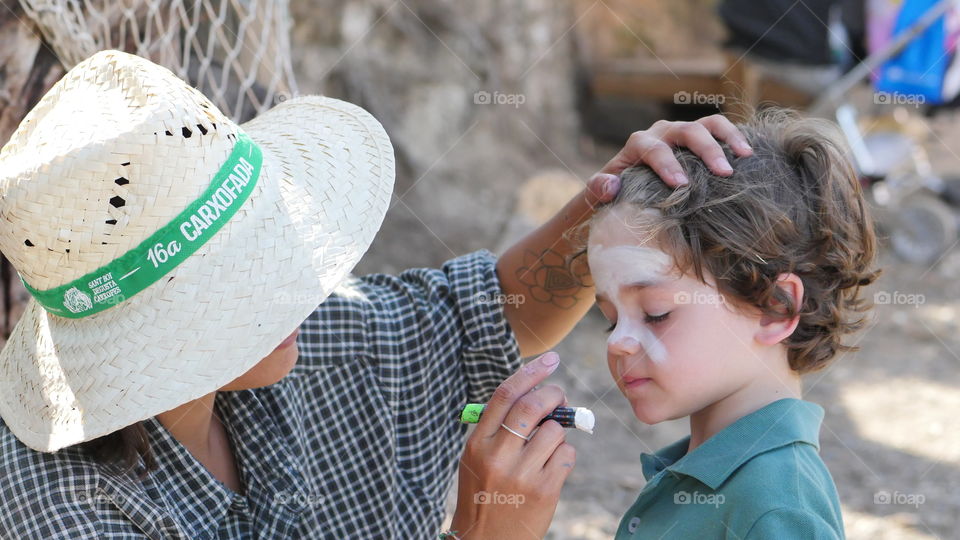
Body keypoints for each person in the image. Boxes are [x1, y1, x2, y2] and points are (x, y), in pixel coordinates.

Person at [0, 50, 751, 538]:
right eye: (243, 281)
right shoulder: (64, 513)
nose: (295, 286)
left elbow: (484, 318)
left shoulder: (297, 345)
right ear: (152, 330)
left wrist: (608, 199)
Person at [456, 109, 878, 538]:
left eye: (656, 313)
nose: (618, 343)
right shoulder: (705, 473)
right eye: (610, 319)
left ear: (775, 307)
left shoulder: (777, 509)